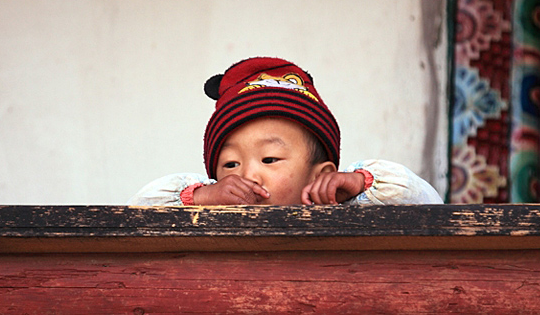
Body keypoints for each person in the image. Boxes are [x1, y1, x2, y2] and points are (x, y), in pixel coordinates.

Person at [127, 56, 442, 206]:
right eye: (231, 165)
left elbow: (428, 204)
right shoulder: (208, 213)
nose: (248, 175)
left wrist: (359, 184)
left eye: (270, 159)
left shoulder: (334, 208)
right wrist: (203, 197)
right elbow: (138, 210)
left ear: (319, 176)